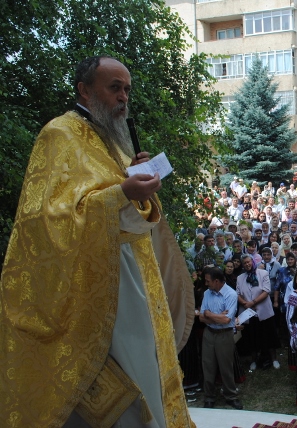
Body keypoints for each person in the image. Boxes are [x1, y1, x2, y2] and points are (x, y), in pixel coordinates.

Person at [0, 56, 194, 426]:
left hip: (136, 275)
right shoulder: (59, 134)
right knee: (120, 380)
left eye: (127, 90)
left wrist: (141, 180)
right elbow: (44, 219)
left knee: (146, 366)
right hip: (96, 285)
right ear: (85, 90)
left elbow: (137, 214)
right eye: (114, 87)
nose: (123, 97)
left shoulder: (114, 141)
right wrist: (121, 191)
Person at [200, 267, 243, 410]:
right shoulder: (207, 293)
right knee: (208, 366)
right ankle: (209, 397)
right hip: (209, 334)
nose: (206, 284)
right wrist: (215, 316)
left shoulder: (231, 295)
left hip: (225, 334)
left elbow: (226, 321)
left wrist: (209, 314)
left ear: (216, 281)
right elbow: (201, 317)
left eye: (208, 281)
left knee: (226, 367)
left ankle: (231, 396)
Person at [235, 255, 280, 370]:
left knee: (269, 335)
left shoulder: (263, 273)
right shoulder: (240, 277)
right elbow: (238, 293)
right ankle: (254, 360)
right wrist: (245, 303)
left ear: (252, 261)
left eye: (248, 262)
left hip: (264, 311)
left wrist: (253, 302)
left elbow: (266, 291)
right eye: (244, 263)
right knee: (252, 337)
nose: (247, 264)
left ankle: (274, 359)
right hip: (248, 312)